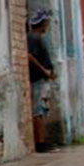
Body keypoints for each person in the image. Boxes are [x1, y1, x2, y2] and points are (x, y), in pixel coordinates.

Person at [28, 10, 55, 152]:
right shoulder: (33, 38)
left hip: (41, 79)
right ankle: (40, 142)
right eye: (46, 22)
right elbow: (30, 56)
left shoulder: (37, 38)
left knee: (42, 110)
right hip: (37, 79)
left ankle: (43, 141)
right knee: (38, 111)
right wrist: (44, 70)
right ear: (42, 23)